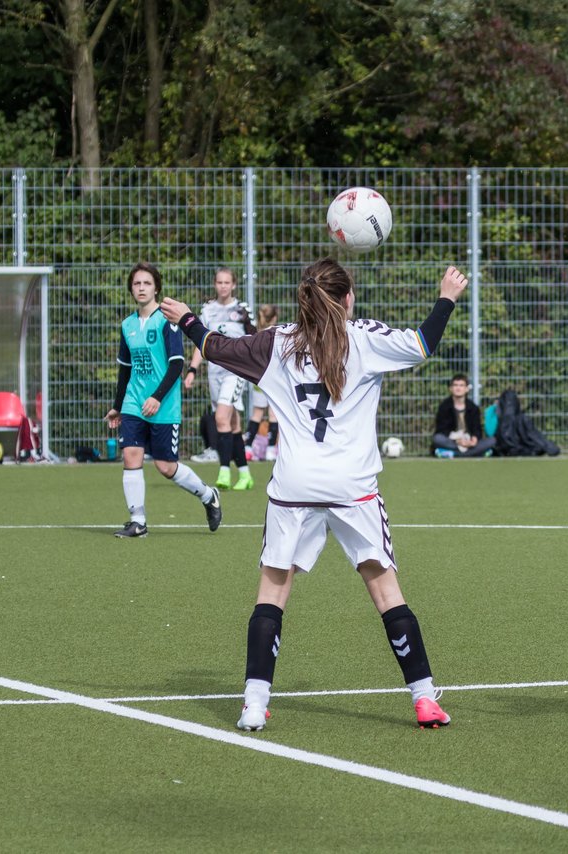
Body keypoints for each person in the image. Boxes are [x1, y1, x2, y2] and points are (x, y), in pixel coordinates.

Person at [161, 259, 466, 733]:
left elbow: (216, 348)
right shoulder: (365, 337)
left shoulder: (276, 340)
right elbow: (424, 342)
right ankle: (425, 699)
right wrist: (446, 295)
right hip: (352, 486)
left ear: (303, 299)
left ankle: (254, 705)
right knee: (385, 591)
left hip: (295, 485)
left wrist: (187, 319)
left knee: (273, 592)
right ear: (347, 299)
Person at [103, 262, 222, 538]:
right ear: (131, 289)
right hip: (134, 402)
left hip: (164, 404)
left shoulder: (167, 321)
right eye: (136, 283)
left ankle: (208, 495)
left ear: (156, 287)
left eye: (147, 283)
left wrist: (157, 397)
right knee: (131, 455)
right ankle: (138, 520)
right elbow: (125, 368)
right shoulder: (127, 325)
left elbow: (176, 364)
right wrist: (118, 406)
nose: (141, 288)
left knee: (165, 466)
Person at [184, 267, 256, 490]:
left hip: (235, 372)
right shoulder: (208, 310)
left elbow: (255, 339)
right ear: (215, 284)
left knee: (221, 417)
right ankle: (244, 474)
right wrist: (192, 370)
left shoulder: (242, 310)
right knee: (232, 424)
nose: (223, 286)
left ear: (234, 285)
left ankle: (224, 470)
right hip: (214, 372)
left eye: (227, 282)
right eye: (219, 282)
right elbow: (201, 343)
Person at [242, 304, 281, 462]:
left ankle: (248, 447)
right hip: (274, 381)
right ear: (274, 318)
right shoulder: (277, 334)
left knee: (257, 413)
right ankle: (271, 450)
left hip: (259, 380)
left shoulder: (257, 335)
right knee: (273, 414)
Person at [431, 373, 496, 457]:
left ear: (466, 389)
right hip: (453, 440)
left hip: (468, 440)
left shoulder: (473, 408)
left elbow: (477, 429)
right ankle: (475, 453)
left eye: (461, 385)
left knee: (492, 440)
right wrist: (457, 440)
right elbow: (442, 429)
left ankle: (453, 454)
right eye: (455, 385)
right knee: (437, 439)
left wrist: (474, 439)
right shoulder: (444, 407)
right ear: (451, 388)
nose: (458, 388)